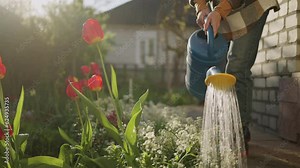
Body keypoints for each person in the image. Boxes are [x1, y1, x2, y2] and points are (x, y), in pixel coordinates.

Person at [189, 0, 280, 155]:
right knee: (228, 66)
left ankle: (239, 133)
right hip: (224, 7)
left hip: (251, 5)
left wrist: (219, 11)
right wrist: (201, 7)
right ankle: (230, 127)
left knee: (237, 67)